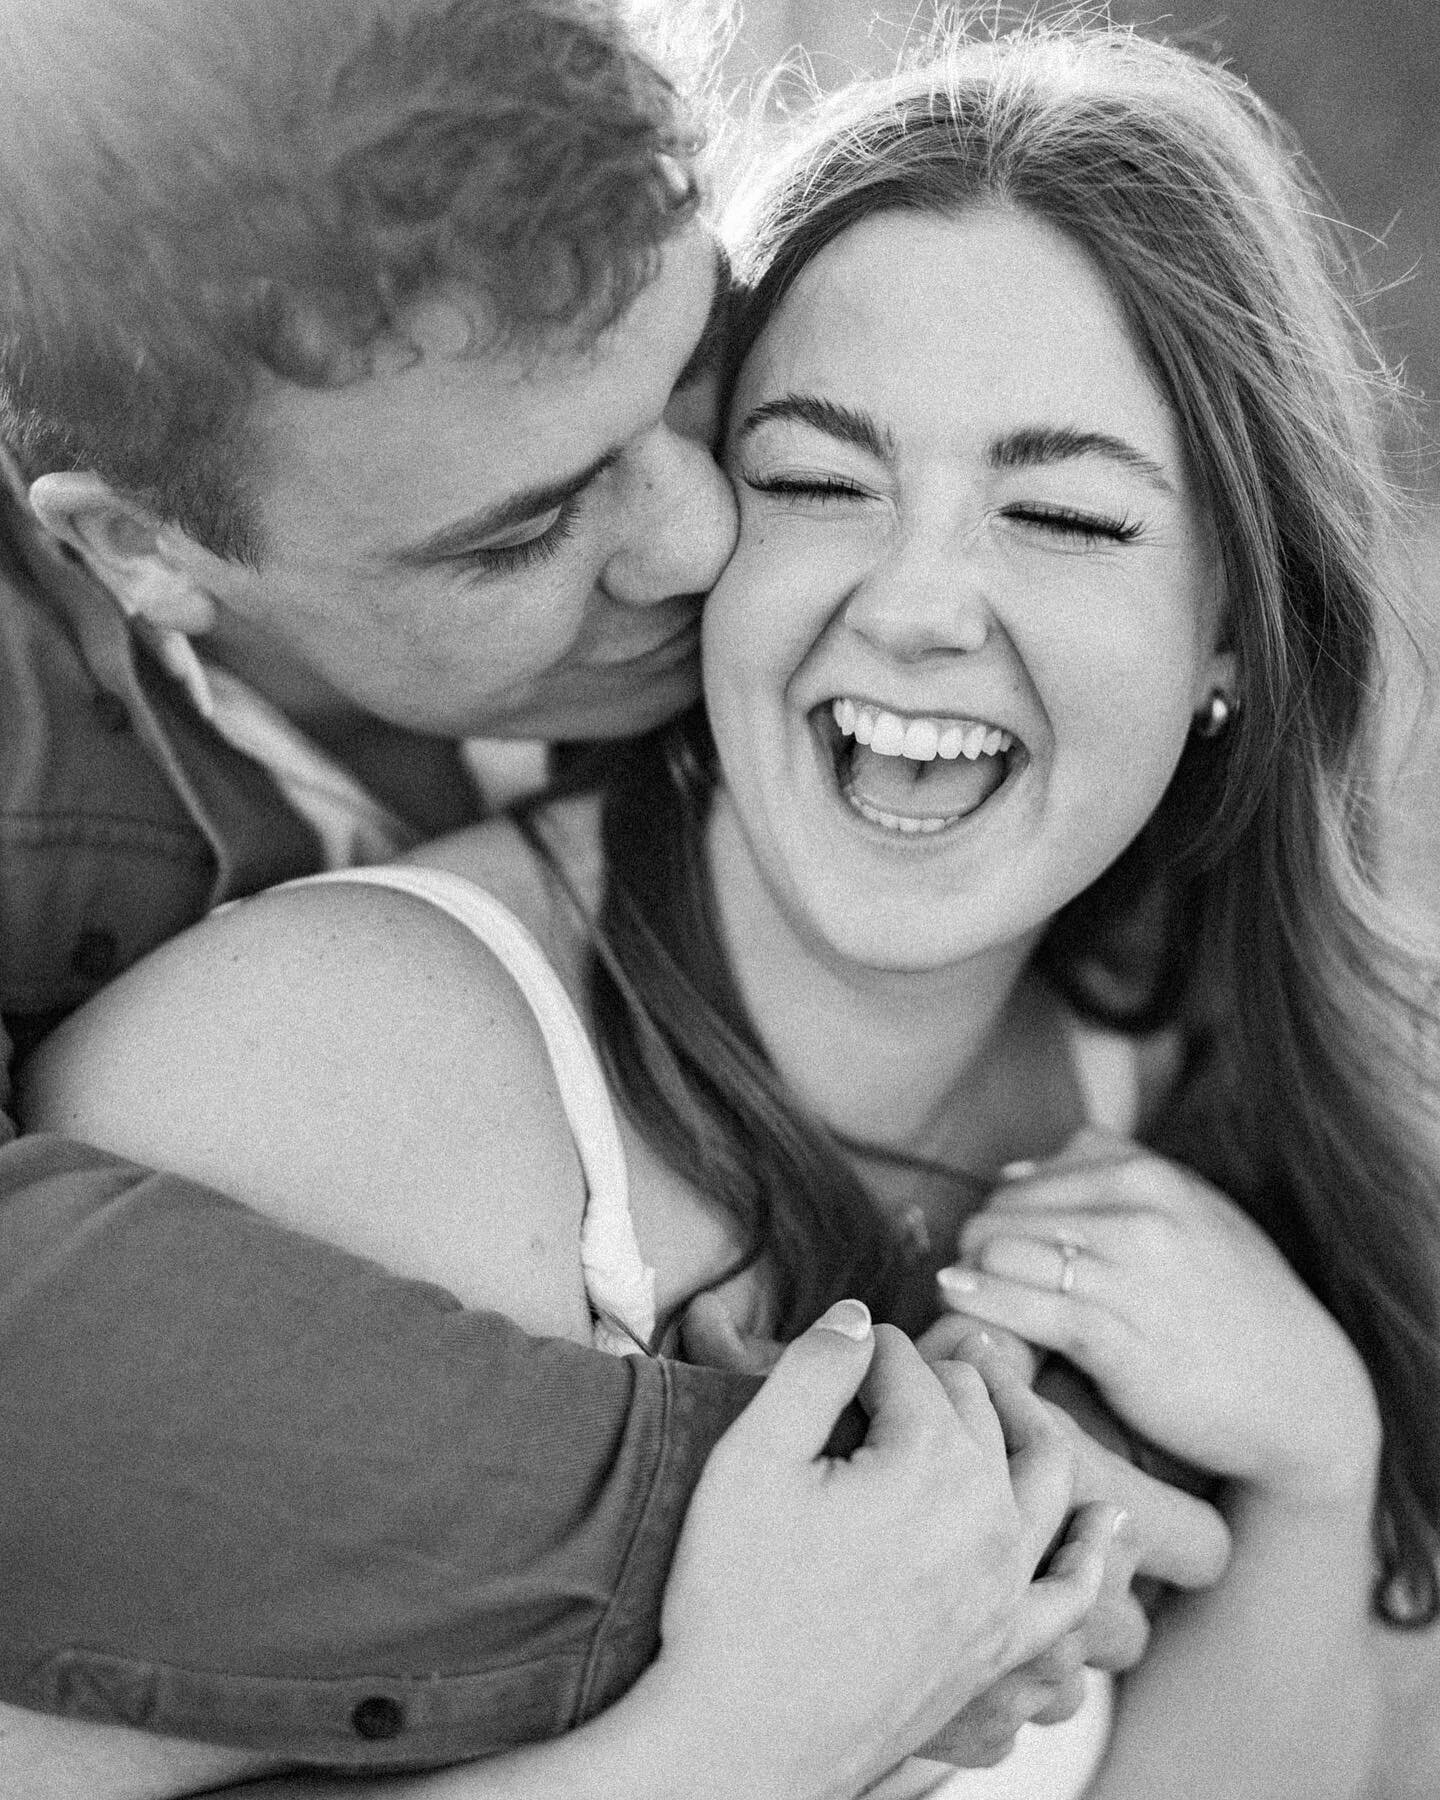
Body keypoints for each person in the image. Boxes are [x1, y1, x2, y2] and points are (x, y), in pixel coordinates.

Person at [25, 15, 1440, 1800]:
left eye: (1067, 516)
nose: (919, 599)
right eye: (818, 478)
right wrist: (745, 1735)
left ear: (1238, 624)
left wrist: (1318, 1472)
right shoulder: (332, 1074)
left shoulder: (1221, 1065)